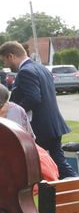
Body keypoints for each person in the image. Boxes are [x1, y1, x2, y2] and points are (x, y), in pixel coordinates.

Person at [0, 41, 73, 177]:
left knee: (38, 165)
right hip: (52, 124)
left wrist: (14, 111)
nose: (6, 65)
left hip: (39, 127)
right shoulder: (41, 68)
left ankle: (73, 188)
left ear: (11, 56)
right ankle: (75, 187)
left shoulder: (25, 71)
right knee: (58, 161)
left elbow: (33, 98)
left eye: (4, 60)